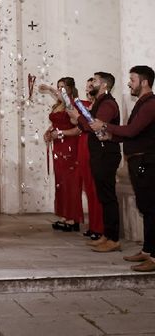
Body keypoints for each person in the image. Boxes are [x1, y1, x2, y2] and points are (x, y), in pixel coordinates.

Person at [91, 65, 155, 270]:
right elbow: (130, 132)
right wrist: (111, 135)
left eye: (133, 79)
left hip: (147, 161)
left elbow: (133, 130)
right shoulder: (142, 103)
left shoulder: (151, 104)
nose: (129, 83)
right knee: (146, 208)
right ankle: (147, 250)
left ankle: (154, 257)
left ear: (144, 82)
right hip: (138, 161)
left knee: (151, 209)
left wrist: (104, 126)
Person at [68, 72, 121, 252]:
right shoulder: (99, 102)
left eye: (96, 80)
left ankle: (113, 238)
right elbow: (88, 125)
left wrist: (79, 116)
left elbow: (94, 125)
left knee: (107, 196)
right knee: (103, 196)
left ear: (104, 85)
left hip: (106, 154)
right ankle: (106, 234)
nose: (92, 83)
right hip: (99, 153)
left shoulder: (107, 104)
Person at [40, 77, 83, 232]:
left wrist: (60, 133)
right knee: (61, 181)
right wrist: (49, 132)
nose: (59, 90)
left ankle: (73, 219)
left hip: (70, 146)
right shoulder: (59, 105)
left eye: (63, 88)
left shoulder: (72, 105)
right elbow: (56, 124)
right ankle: (65, 215)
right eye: (58, 87)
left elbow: (79, 128)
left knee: (70, 182)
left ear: (70, 89)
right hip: (58, 146)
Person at [67, 77, 104, 241]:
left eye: (91, 86)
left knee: (96, 190)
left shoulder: (99, 107)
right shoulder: (84, 105)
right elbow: (75, 121)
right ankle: (93, 225)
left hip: (92, 147)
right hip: (83, 145)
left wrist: (80, 117)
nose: (88, 90)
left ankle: (100, 227)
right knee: (88, 189)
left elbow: (91, 124)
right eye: (87, 87)